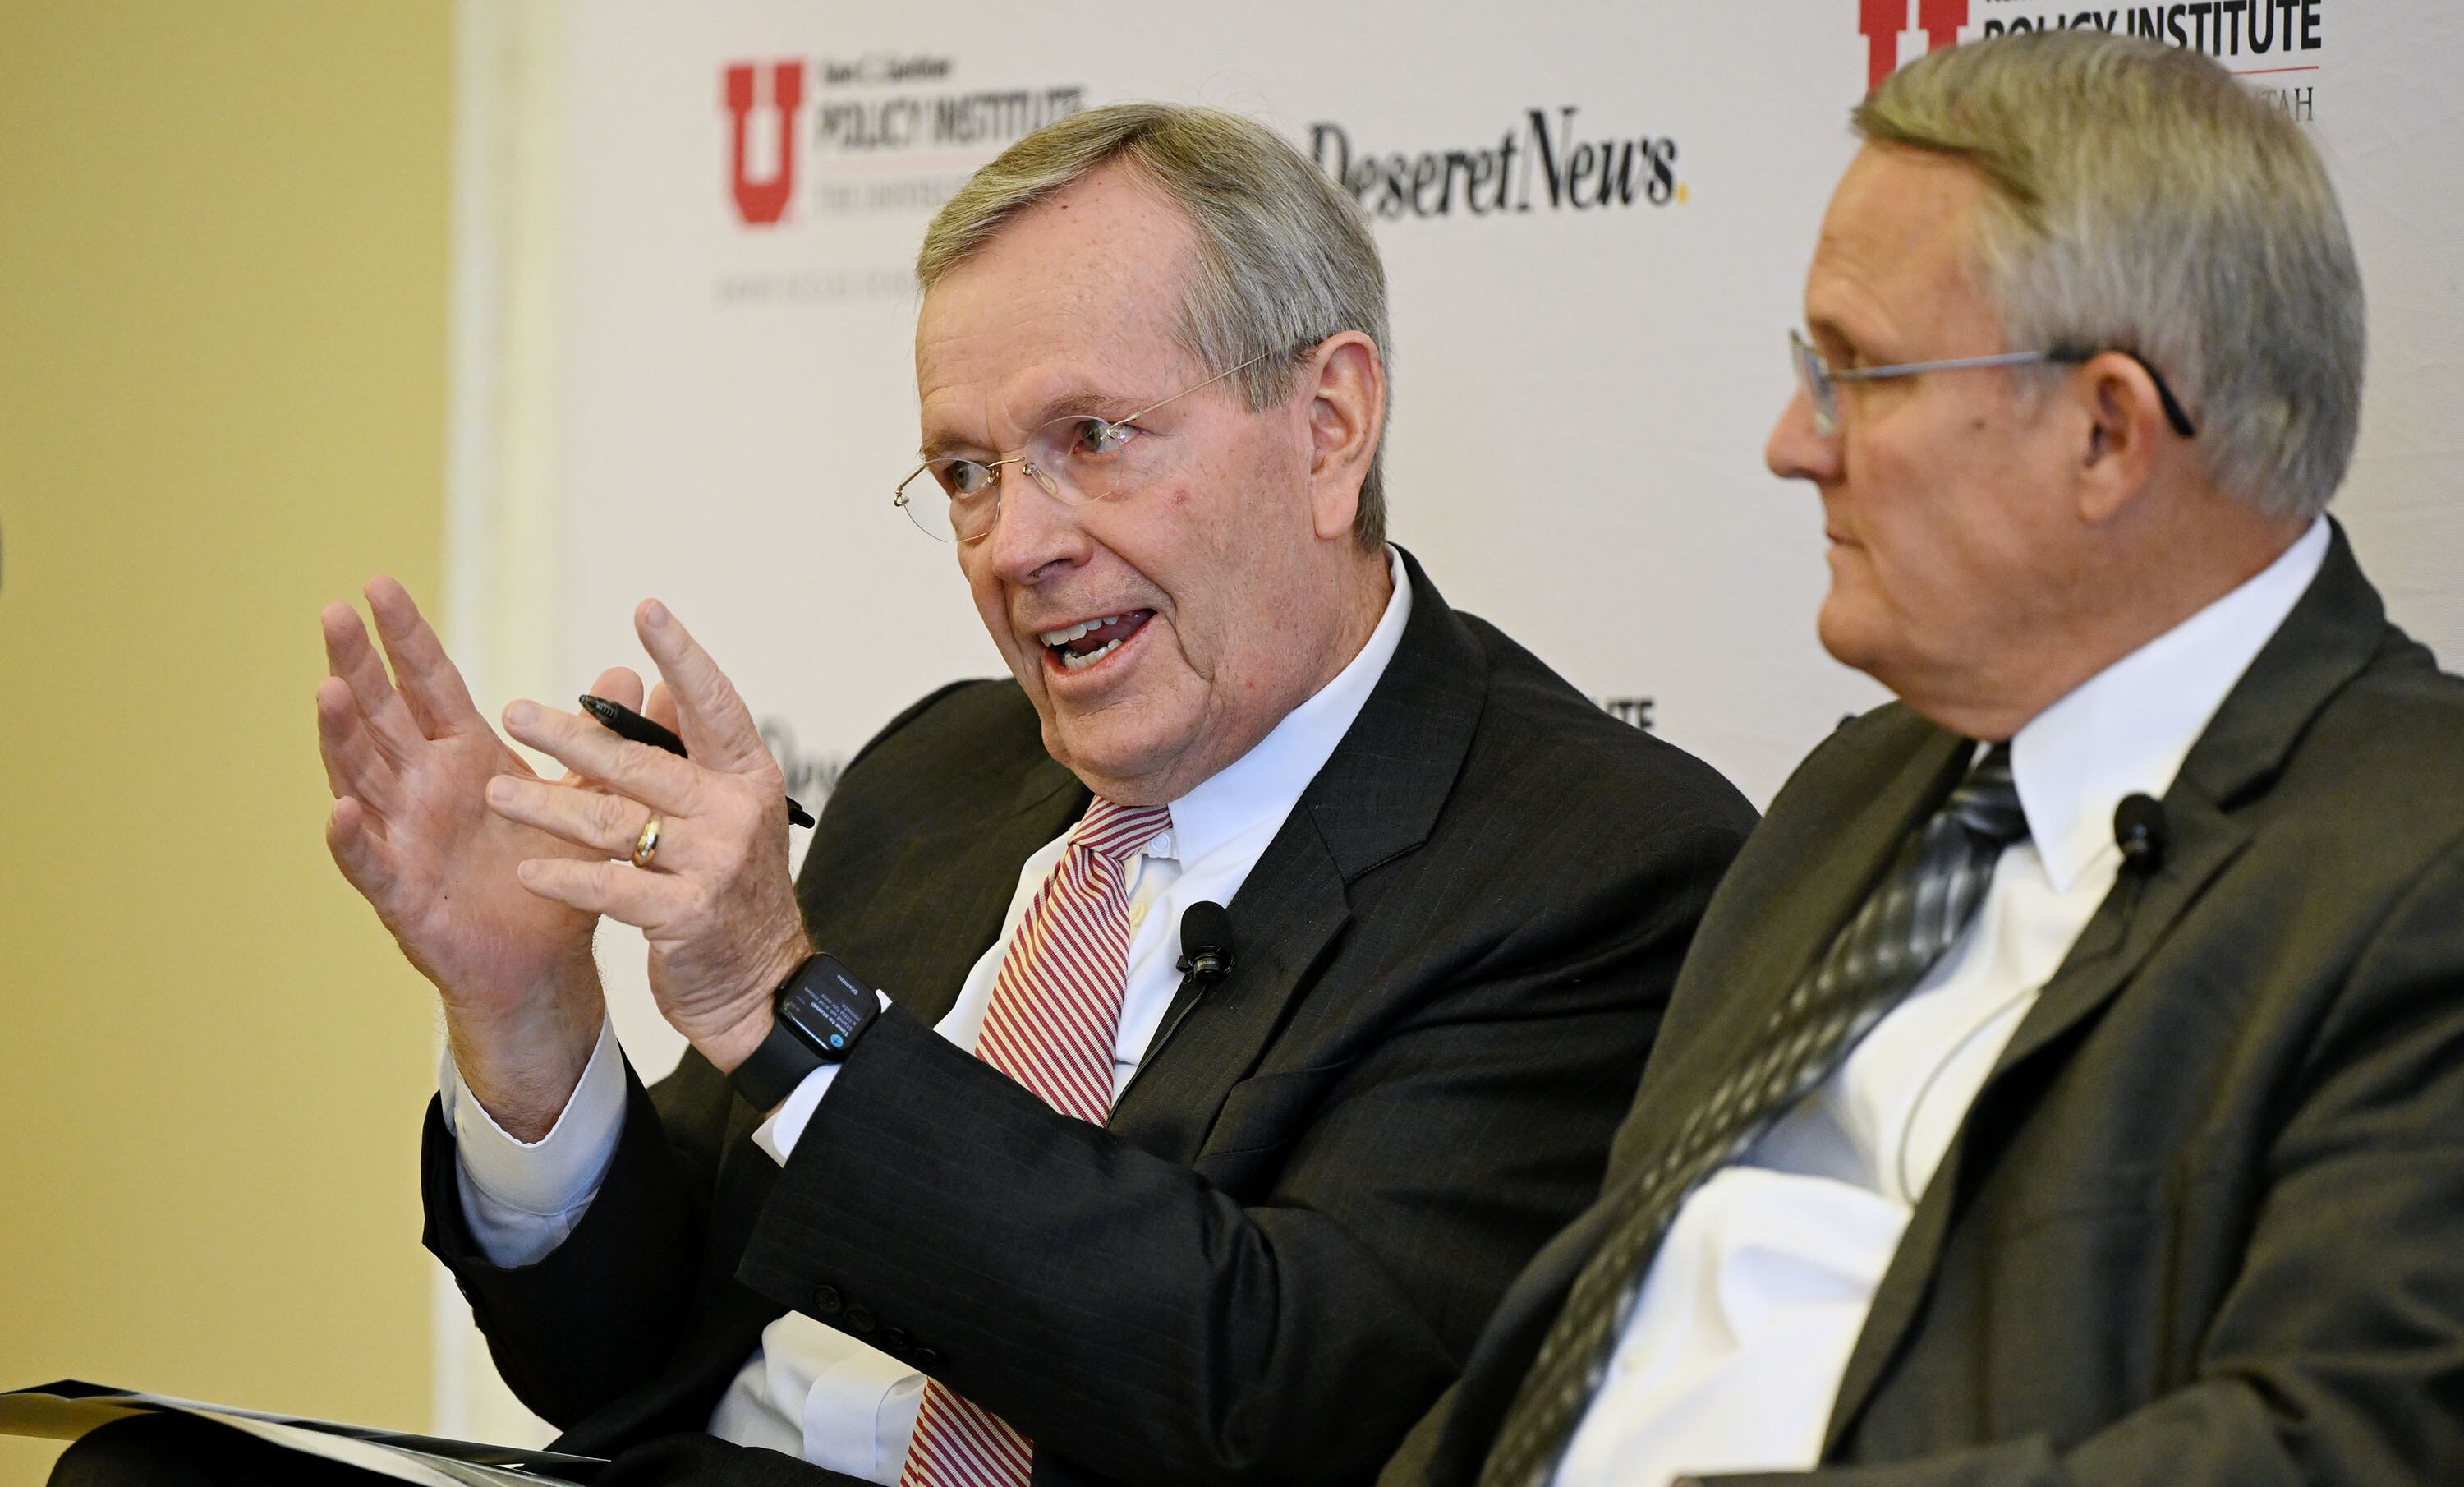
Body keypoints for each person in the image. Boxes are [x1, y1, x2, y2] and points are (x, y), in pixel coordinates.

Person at [49, 105, 1754, 1487]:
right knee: (143, 1471)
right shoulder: (948, 769)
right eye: (965, 470)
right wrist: (529, 1016)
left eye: (1094, 437)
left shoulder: (1599, 863)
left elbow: (1278, 1394)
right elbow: (619, 1355)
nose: (1016, 544)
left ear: (1327, 426)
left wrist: (791, 1020)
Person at [1382, 30, 2464, 1487]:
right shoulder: (1848, 799)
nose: (1792, 443)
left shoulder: (2423, 855)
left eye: (1860, 373)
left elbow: (2354, 1438)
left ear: (2105, 432)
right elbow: (1600, 1325)